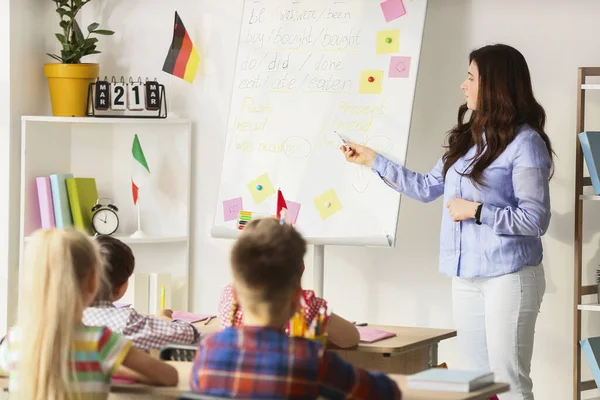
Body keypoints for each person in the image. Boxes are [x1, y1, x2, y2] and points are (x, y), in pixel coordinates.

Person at [340, 44, 552, 400]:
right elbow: (425, 187)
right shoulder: (470, 138)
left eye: (471, 77)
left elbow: (535, 220)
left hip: (509, 277)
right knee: (478, 384)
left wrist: (478, 211)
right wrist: (372, 160)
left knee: (511, 383)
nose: (463, 85)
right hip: (466, 276)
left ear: (495, 85)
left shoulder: (526, 143)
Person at [191, 218, 401, 399]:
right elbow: (385, 393)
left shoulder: (209, 351)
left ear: (235, 293)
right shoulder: (309, 360)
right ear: (296, 299)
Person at [0, 228, 177, 399]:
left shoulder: (15, 339)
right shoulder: (101, 341)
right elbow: (170, 376)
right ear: (94, 281)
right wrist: (117, 368)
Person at [83, 235, 200, 351]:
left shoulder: (69, 316)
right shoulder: (126, 322)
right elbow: (189, 334)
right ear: (120, 287)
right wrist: (163, 318)